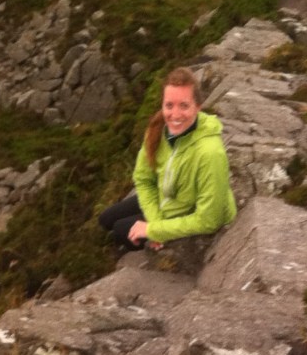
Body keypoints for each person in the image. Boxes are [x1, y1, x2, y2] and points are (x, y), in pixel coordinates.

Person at [99, 66, 236, 250]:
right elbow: (143, 179)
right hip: (165, 197)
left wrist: (154, 230)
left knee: (119, 231)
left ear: (198, 107)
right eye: (169, 105)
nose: (175, 115)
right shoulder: (158, 129)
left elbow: (209, 220)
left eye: (184, 105)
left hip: (189, 212)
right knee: (105, 219)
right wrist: (155, 226)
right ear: (162, 104)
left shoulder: (210, 152)